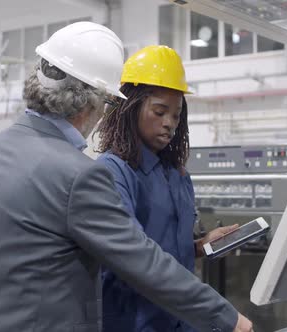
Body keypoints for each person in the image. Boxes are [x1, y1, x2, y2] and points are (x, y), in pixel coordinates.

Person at [0, 22, 253, 332]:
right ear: (91, 100)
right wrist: (226, 317)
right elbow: (139, 260)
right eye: (108, 102)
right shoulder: (79, 174)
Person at [95, 45, 242, 332]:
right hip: (135, 321)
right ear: (131, 108)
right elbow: (133, 256)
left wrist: (201, 246)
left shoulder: (177, 174)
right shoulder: (112, 172)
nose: (169, 124)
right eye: (160, 112)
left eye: (176, 116)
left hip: (181, 320)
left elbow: (168, 247)